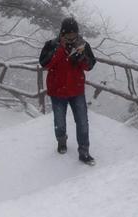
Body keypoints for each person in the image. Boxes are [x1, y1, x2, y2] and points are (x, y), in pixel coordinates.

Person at [39, 17, 97, 165]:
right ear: (62, 33)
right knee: (59, 121)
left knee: (82, 122)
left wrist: (81, 57)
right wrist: (59, 50)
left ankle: (84, 152)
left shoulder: (83, 45)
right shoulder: (52, 45)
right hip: (57, 91)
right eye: (68, 35)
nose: (71, 37)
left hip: (76, 90)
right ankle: (61, 141)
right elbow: (44, 63)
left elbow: (90, 65)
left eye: (74, 34)